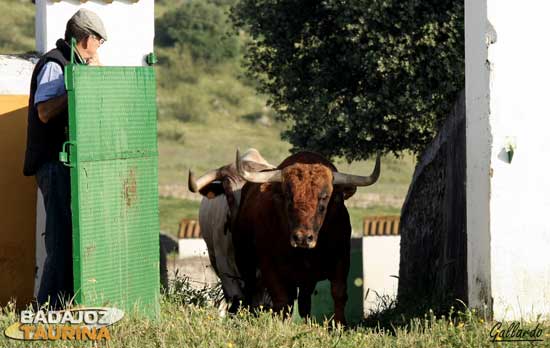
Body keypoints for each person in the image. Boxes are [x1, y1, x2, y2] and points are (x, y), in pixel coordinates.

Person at [23, 8, 107, 309]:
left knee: (69, 240)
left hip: (66, 164)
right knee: (59, 242)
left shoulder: (74, 63)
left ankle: (65, 306)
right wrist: (78, 88)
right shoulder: (54, 65)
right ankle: (45, 310)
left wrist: (91, 75)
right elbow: (44, 112)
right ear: (86, 38)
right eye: (99, 42)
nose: (99, 48)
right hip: (53, 164)